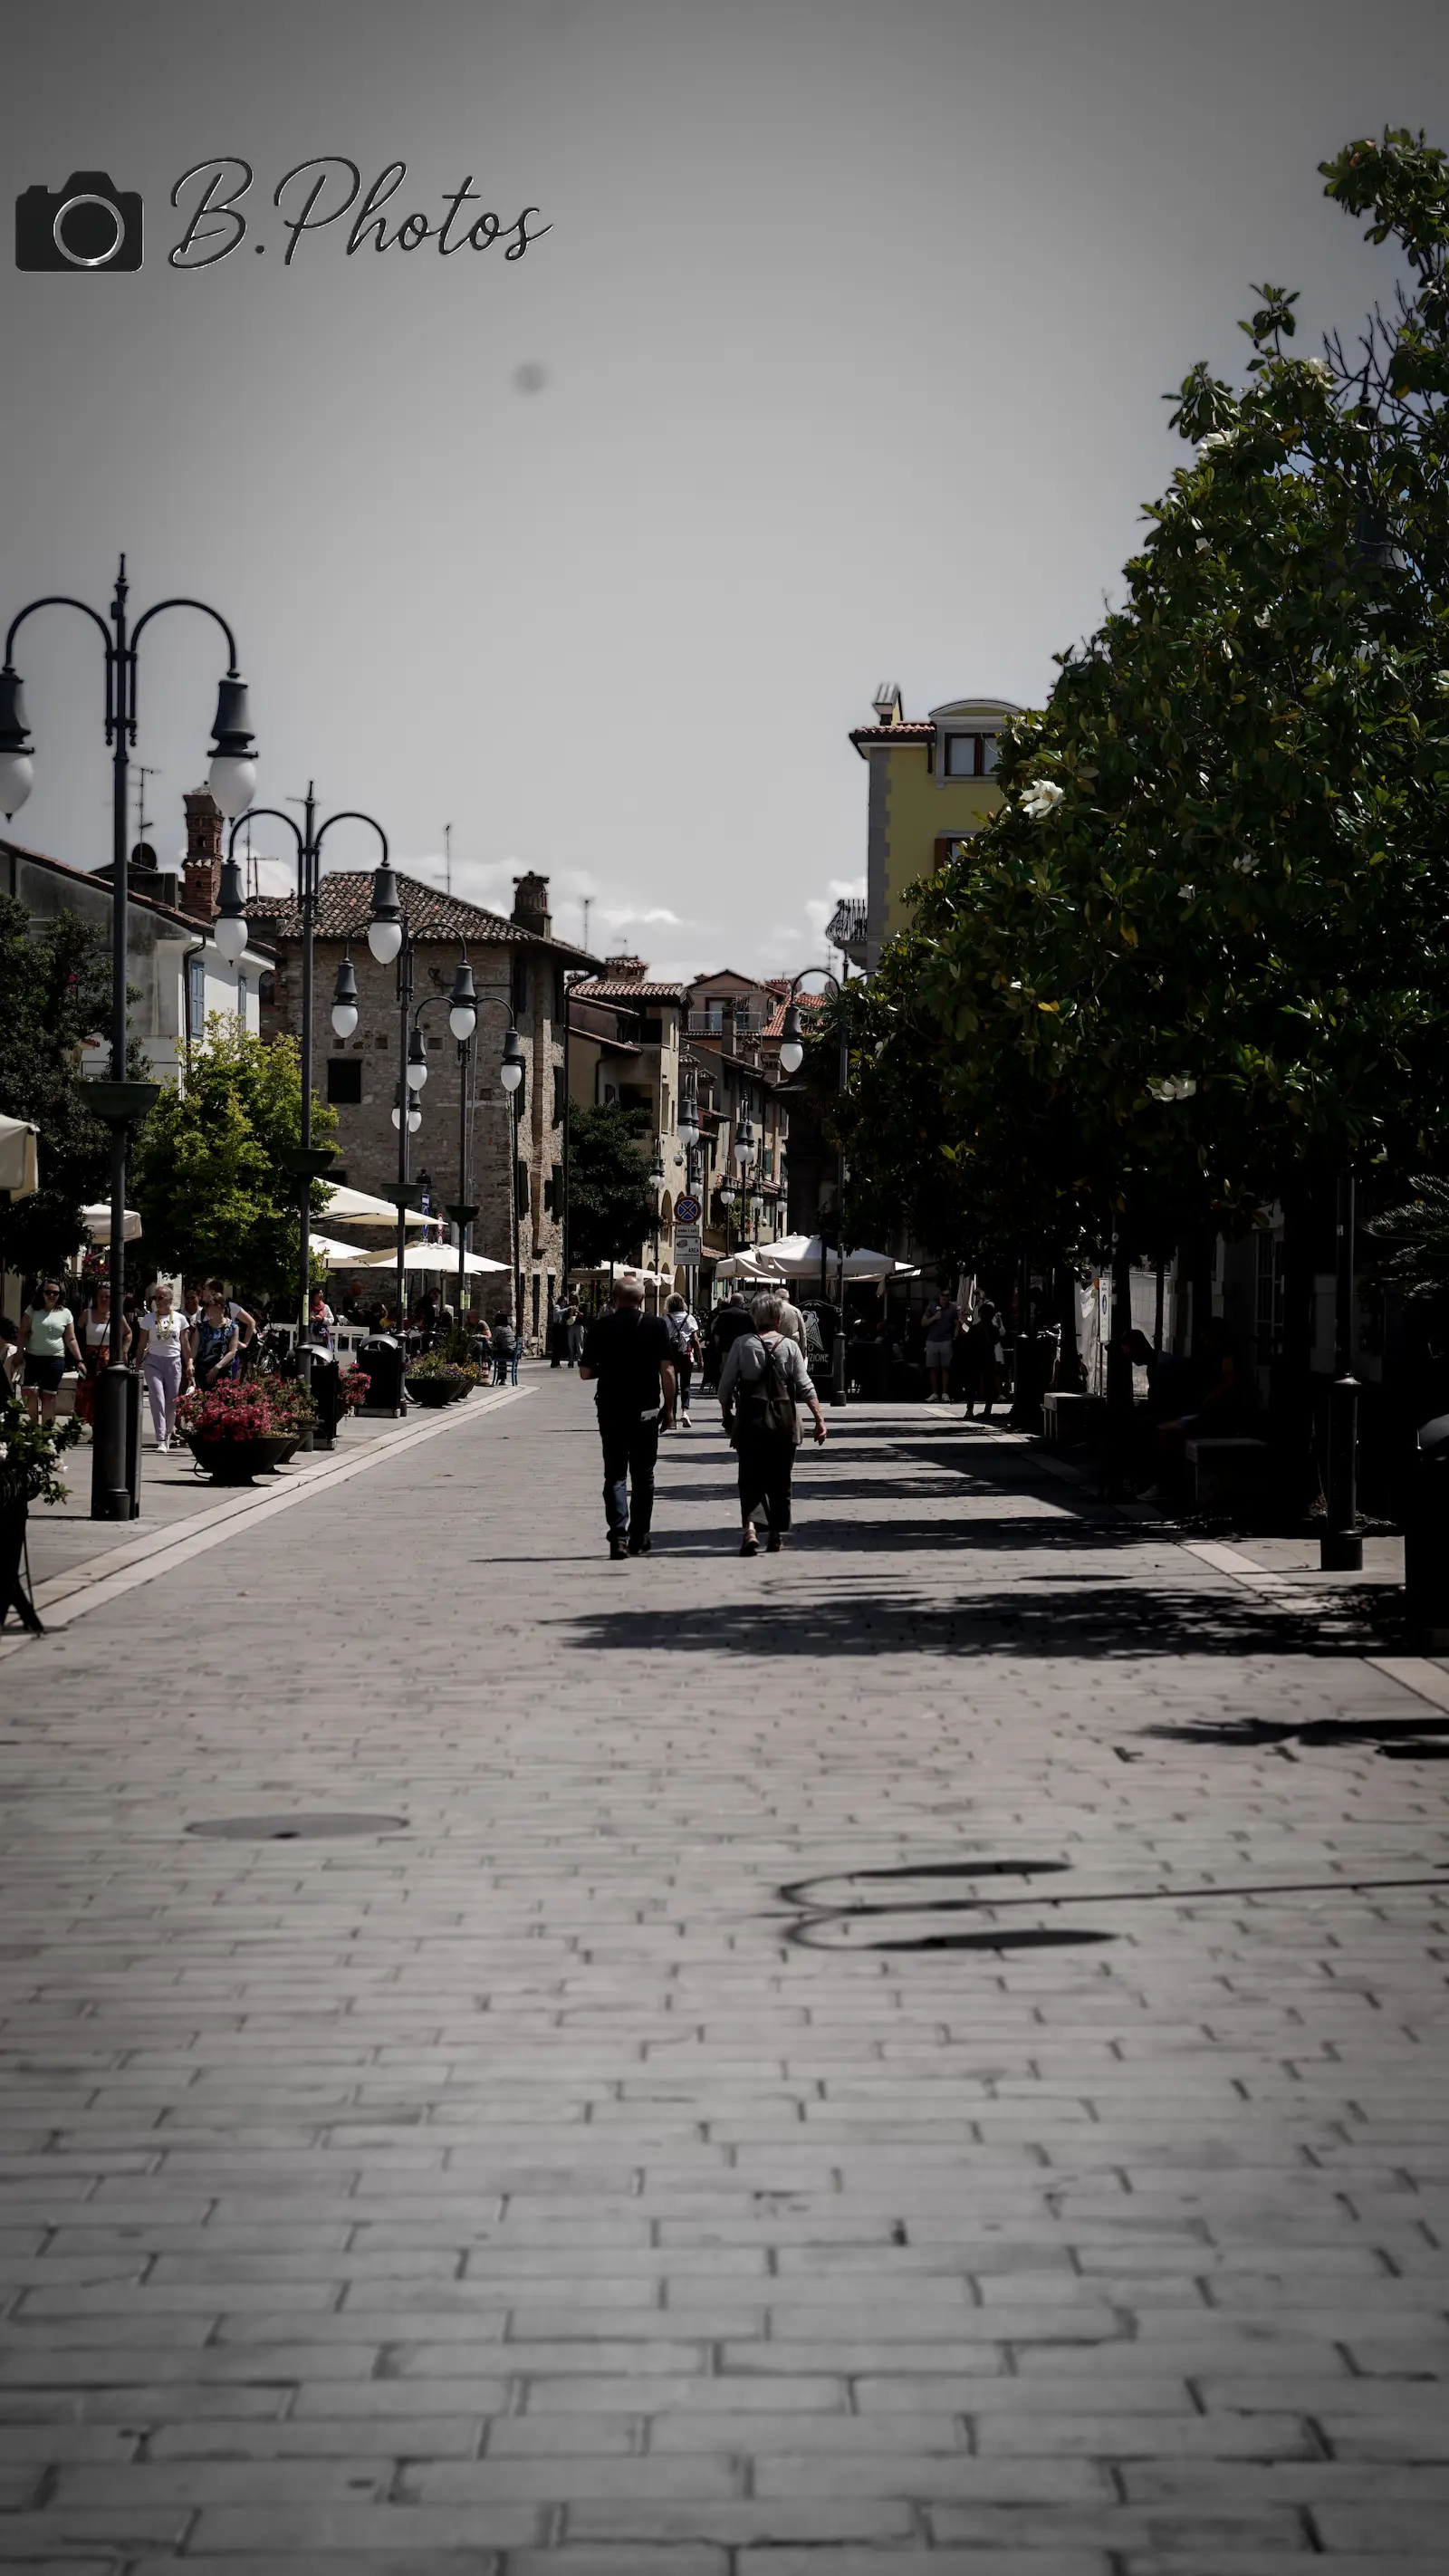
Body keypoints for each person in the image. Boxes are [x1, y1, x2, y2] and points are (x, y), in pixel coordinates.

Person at [719, 1290, 827, 1555]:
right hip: (783, 1422)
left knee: (749, 1478)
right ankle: (776, 1535)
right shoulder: (790, 1347)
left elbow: (725, 1387)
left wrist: (727, 1416)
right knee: (781, 1480)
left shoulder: (743, 1344)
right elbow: (805, 1386)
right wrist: (819, 1420)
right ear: (778, 1320)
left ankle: (751, 1531)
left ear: (755, 1318)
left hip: (751, 1421)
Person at [579, 1271, 677, 1560]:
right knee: (644, 1473)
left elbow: (584, 1373)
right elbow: (668, 1370)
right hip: (646, 1407)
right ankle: (640, 1534)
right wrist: (669, 1408)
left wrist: (606, 1371)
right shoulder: (656, 1325)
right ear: (642, 1299)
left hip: (610, 1407)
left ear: (614, 1299)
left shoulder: (600, 1326)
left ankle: (618, 1535)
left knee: (615, 1473)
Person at [15, 1279, 83, 1425]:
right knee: (29, 1392)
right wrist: (19, 1353)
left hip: (55, 1359)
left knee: (48, 1396)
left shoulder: (66, 1313)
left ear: (60, 1294)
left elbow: (71, 1339)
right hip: (33, 1357)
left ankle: (46, 1432)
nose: (52, 1295)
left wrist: (79, 1360)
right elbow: (22, 1333)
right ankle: (33, 1427)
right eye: (48, 1292)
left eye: (55, 1293)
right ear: (42, 1293)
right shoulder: (32, 1310)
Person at [134, 1282, 191, 1452]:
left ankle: (167, 1435)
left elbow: (185, 1344)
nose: (157, 1301)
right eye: (154, 1298)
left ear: (169, 1299)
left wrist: (189, 1363)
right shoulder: (149, 1318)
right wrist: (137, 1363)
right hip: (153, 1362)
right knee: (157, 1398)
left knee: (172, 1402)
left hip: (174, 1362)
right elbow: (142, 1342)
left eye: (160, 1297)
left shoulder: (180, 1319)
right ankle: (160, 1439)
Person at [74, 1279, 130, 1429]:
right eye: (101, 1296)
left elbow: (128, 1333)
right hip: (90, 1359)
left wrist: (124, 1351)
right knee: (88, 1394)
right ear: (96, 1297)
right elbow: (76, 1334)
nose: (104, 1299)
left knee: (106, 1395)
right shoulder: (87, 1314)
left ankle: (103, 1428)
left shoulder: (116, 1316)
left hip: (108, 1359)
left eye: (107, 1296)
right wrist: (78, 1357)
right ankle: (91, 1428)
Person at [192, 1282, 242, 1390]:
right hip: (202, 1371)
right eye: (208, 1307)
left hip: (222, 1372)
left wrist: (217, 1367)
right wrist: (190, 1363)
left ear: (221, 1308)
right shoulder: (201, 1327)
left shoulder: (233, 1327)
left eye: (211, 1307)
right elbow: (194, 1349)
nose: (209, 1311)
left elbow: (232, 1351)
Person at [962, 1293, 1004, 1418]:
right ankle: (970, 1409)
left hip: (986, 1358)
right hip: (976, 1358)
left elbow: (994, 1341)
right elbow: (969, 1343)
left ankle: (986, 1409)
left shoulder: (992, 1329)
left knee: (988, 1384)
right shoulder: (976, 1328)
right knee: (973, 1384)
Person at [663, 1293, 702, 1429]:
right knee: (686, 1385)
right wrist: (700, 1359)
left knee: (671, 1387)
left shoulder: (665, 1319)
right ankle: (685, 1412)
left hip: (670, 1357)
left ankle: (672, 1418)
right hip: (686, 1355)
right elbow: (696, 1340)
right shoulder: (689, 1318)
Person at [922, 1286, 961, 1403]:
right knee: (933, 1368)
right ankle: (934, 1393)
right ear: (940, 1296)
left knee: (946, 1368)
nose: (945, 1298)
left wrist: (955, 1336)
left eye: (947, 1296)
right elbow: (923, 1323)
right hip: (932, 1340)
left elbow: (957, 1322)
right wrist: (933, 1318)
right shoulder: (932, 1307)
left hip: (946, 1340)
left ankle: (945, 1393)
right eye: (943, 1296)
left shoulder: (952, 1309)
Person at [490, 1311, 517, 1385]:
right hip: (512, 1352)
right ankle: (502, 1379)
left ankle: (485, 1373)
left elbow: (491, 1339)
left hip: (505, 1352)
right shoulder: (509, 1327)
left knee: (489, 1354)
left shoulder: (498, 1328)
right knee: (500, 1353)